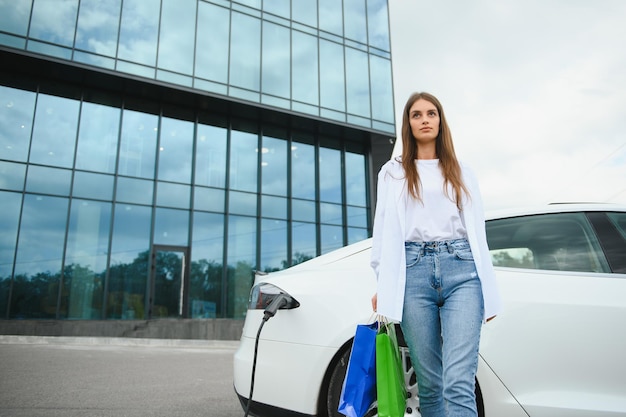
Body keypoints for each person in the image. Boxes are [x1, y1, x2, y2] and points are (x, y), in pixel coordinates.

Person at [370, 92, 501, 417]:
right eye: (417, 114)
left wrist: (489, 289)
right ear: (408, 123)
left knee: (458, 380)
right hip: (412, 275)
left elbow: (478, 235)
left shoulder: (462, 172)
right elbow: (382, 230)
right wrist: (381, 282)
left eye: (431, 113)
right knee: (429, 385)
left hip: (463, 273)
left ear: (440, 121)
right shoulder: (393, 172)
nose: (425, 119)